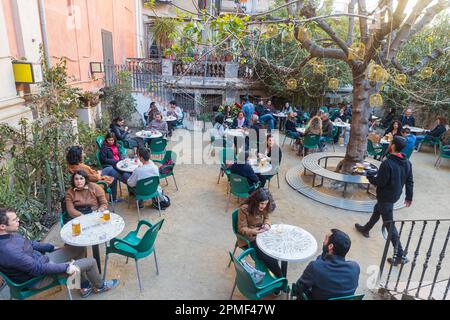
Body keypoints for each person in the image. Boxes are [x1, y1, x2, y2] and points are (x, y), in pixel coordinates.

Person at [0, 207, 119, 298]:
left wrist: (51, 248)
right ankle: (100, 287)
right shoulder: (9, 251)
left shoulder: (10, 235)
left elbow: (31, 244)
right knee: (91, 262)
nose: (18, 220)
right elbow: (38, 269)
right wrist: (66, 267)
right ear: (2, 226)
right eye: (15, 220)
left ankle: (83, 285)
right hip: (40, 277)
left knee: (78, 248)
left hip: (44, 262)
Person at [355, 136, 414, 266]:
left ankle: (400, 255)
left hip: (386, 197)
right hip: (394, 196)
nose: (389, 144)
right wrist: (409, 197)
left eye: (390, 142)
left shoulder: (387, 163)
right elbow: (409, 181)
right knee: (378, 210)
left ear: (392, 146)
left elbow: (380, 182)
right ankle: (366, 229)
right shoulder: (407, 162)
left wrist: (368, 175)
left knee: (389, 225)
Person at [293, 229, 360, 300]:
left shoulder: (316, 267)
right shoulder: (355, 267)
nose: (323, 241)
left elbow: (297, 289)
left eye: (326, 239)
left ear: (330, 246)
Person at [237, 188, 283, 286]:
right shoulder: (244, 209)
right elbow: (242, 229)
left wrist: (267, 224)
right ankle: (281, 279)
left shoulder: (265, 206)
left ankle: (278, 277)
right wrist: (253, 231)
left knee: (276, 248)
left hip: (262, 234)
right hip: (250, 239)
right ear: (255, 201)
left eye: (265, 203)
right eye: (261, 204)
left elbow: (267, 218)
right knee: (269, 257)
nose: (263, 206)